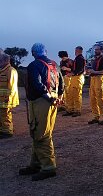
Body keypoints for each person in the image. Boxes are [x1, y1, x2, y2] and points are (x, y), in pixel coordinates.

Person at [19, 43, 64, 181]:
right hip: (52, 102)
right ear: (45, 52)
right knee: (40, 132)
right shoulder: (54, 65)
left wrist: (48, 97)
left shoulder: (34, 65)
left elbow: (37, 84)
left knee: (41, 134)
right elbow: (62, 83)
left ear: (33, 53)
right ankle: (36, 163)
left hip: (41, 102)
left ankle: (48, 167)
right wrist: (57, 98)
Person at [87, 45, 103, 125]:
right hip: (93, 79)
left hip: (100, 79)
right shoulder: (94, 59)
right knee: (92, 99)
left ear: (101, 51)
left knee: (101, 98)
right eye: (95, 49)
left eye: (97, 49)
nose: (95, 51)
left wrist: (94, 72)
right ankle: (96, 116)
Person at [0, 53, 19, 139]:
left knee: (6, 115)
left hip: (7, 99)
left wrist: (8, 98)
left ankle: (7, 132)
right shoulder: (3, 70)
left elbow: (12, 86)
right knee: (3, 114)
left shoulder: (11, 71)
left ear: (5, 61)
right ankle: (3, 129)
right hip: (3, 98)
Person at [63, 46, 85, 117]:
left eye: (76, 50)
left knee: (77, 94)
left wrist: (72, 73)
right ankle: (71, 109)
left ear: (78, 51)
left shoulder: (81, 59)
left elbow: (80, 69)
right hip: (74, 78)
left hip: (78, 78)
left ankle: (77, 110)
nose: (75, 52)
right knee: (71, 93)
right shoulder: (77, 59)